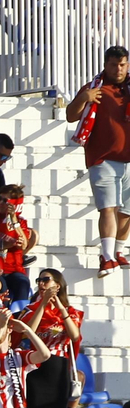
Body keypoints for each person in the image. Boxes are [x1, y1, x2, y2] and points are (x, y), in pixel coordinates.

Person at [68, 46, 130, 275]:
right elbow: (70, 115)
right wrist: (84, 98)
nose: (119, 69)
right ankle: (106, 256)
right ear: (105, 65)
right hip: (103, 158)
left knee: (127, 211)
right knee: (108, 208)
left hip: (128, 159)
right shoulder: (94, 88)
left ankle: (119, 251)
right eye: (114, 64)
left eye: (122, 64)